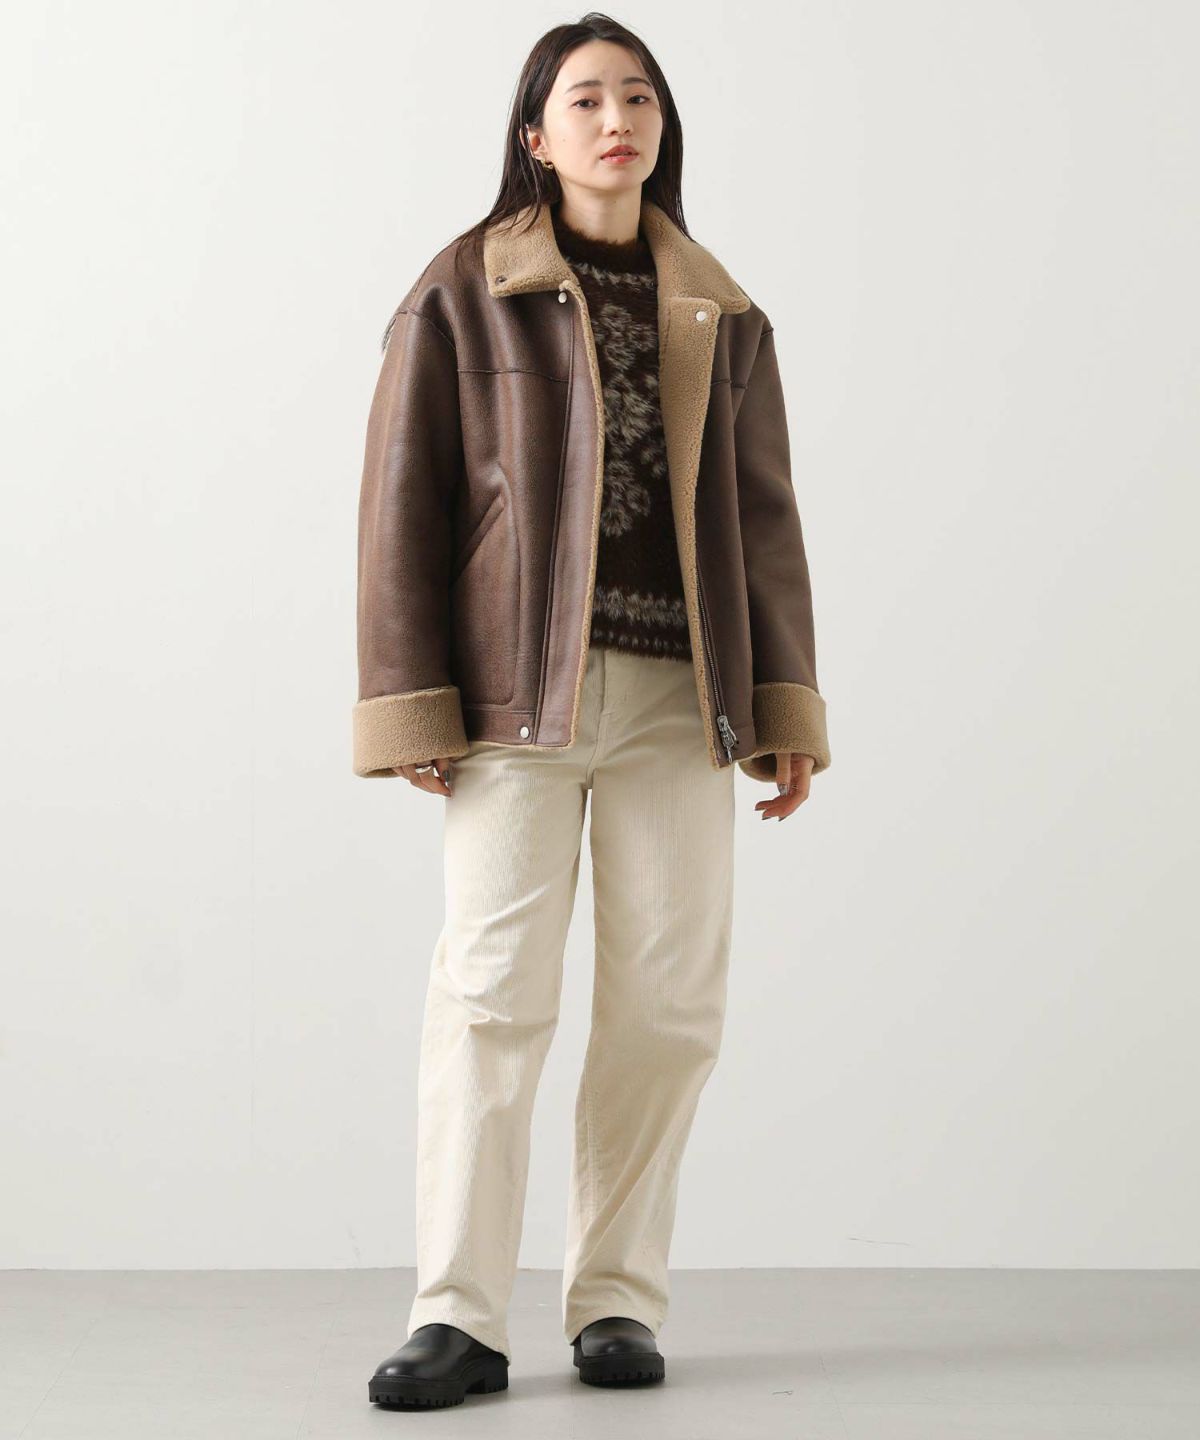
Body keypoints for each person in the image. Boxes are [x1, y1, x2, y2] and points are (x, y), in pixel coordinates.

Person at [356, 12, 831, 1410]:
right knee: (490, 998)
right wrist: (410, 703)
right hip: (519, 703)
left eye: (639, 98)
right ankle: (457, 1317)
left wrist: (784, 704)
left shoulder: (722, 311)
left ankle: (617, 1300)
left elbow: (765, 522)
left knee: (669, 1008)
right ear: (535, 134)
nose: (617, 120)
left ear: (663, 127)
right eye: (585, 99)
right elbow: (402, 498)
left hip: (683, 702)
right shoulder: (465, 289)